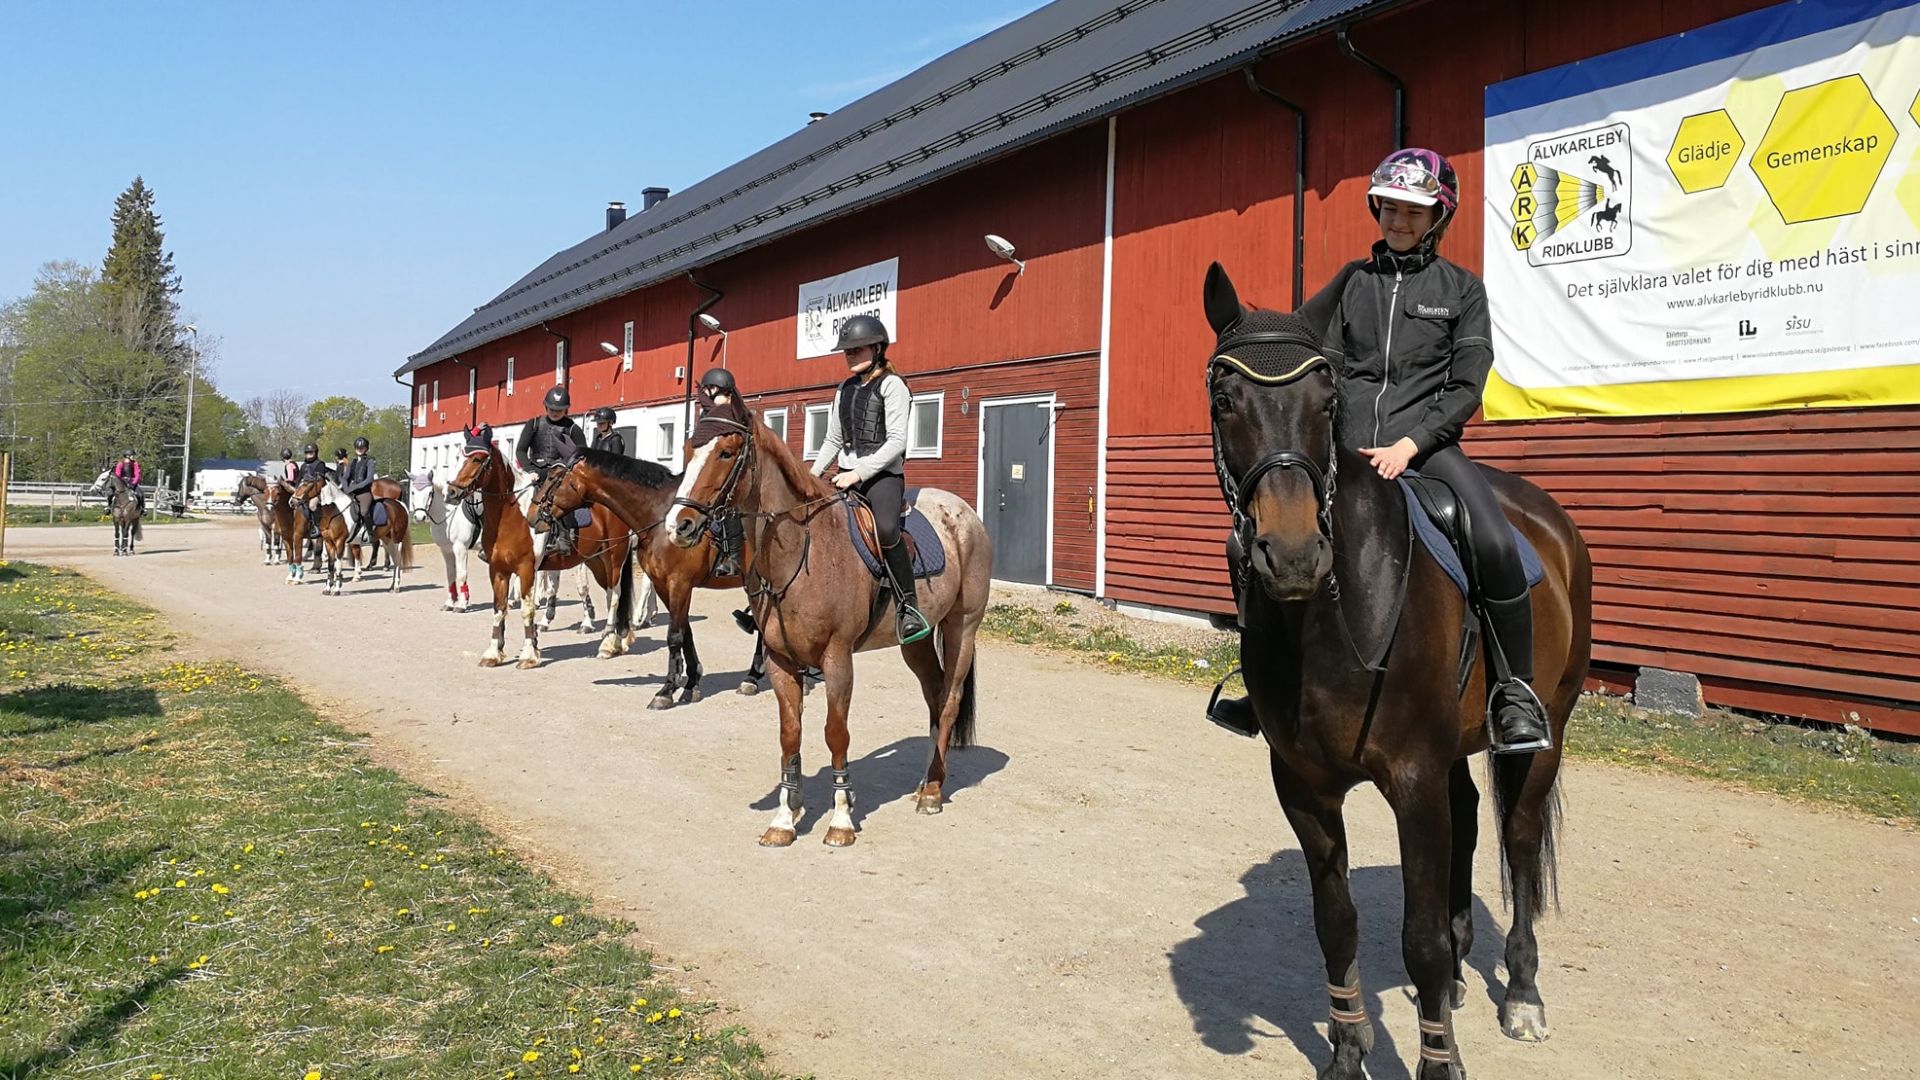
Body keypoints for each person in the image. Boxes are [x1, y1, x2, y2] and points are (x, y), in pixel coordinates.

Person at [1207, 147, 1550, 756]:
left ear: (1437, 216)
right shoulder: (1350, 285)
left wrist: (1412, 443)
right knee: (1249, 540)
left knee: (1496, 542)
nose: (1399, 220)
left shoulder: (1462, 291)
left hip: (1429, 447)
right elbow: (1319, 369)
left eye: (1413, 210)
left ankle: (1515, 694)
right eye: (1390, 207)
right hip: (1348, 447)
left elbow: (1469, 381)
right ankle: (1260, 685)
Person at [808, 315, 931, 645]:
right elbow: (832, 440)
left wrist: (858, 473)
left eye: (855, 349)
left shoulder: (893, 386)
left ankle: (908, 607)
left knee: (887, 528)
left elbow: (896, 442)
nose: (848, 355)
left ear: (876, 348)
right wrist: (810, 477)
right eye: (845, 350)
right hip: (845, 476)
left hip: (882, 477)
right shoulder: (844, 389)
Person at [689, 367, 750, 579]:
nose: (708, 393)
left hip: (734, 470)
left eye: (712, 389)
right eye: (707, 389)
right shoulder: (706, 414)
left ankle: (734, 558)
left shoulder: (735, 411)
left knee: (730, 510)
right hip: (710, 468)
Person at [516, 386, 587, 555]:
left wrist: (567, 468)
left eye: (559, 410)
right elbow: (520, 450)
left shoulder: (573, 429)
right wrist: (527, 470)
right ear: (545, 406)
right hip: (535, 471)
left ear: (566, 409)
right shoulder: (533, 424)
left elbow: (582, 453)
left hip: (560, 474)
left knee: (564, 499)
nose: (555, 412)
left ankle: (564, 537)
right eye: (552, 408)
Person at [341, 436, 377, 542]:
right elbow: (345, 477)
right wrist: (346, 487)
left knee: (364, 511)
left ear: (366, 449)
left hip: (364, 492)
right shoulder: (352, 462)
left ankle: (370, 533)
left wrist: (356, 487)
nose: (360, 450)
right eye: (358, 448)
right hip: (350, 491)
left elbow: (369, 479)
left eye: (362, 448)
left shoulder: (370, 462)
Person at [111, 450, 145, 516]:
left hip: (132, 482)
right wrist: (120, 482)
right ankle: (109, 507)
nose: (134, 457)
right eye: (133, 455)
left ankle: (142, 509)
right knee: (111, 494)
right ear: (128, 456)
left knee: (140, 494)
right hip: (122, 483)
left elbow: (137, 474)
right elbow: (117, 474)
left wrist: (133, 483)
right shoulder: (120, 464)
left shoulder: (135, 464)